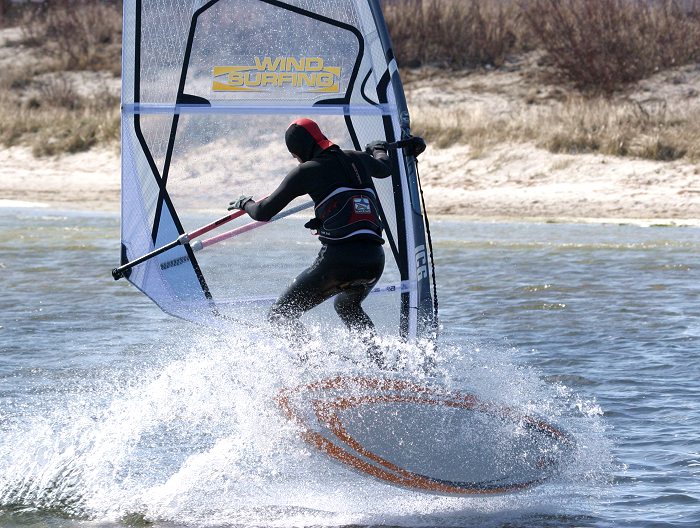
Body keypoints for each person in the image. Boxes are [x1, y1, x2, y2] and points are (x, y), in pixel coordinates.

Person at [228, 118, 395, 367]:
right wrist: (378, 148)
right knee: (348, 307)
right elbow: (384, 167)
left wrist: (246, 203)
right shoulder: (357, 158)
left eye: (294, 155)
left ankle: (312, 369)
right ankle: (383, 368)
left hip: (339, 262)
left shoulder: (306, 171)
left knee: (280, 315)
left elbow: (263, 211)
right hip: (374, 261)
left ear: (297, 151)